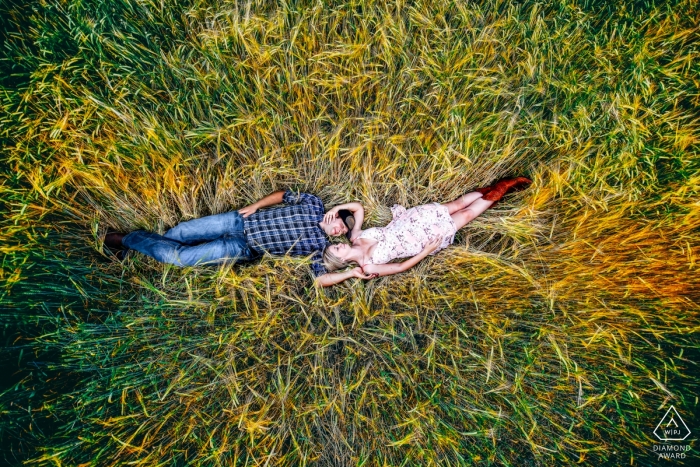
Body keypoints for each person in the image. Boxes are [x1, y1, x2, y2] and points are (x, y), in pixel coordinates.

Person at [103, 189, 374, 281]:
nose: (339, 230)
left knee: (180, 258)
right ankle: (133, 243)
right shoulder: (314, 203)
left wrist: (350, 273)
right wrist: (256, 205)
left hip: (242, 248)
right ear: (335, 213)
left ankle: (125, 239)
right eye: (341, 222)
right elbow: (282, 195)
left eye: (343, 232)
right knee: (181, 231)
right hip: (238, 220)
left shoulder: (320, 246)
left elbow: (321, 279)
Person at [316, 177, 531, 287]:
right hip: (420, 239)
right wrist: (427, 250)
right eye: (337, 248)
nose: (339, 243)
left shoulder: (355, 236)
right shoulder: (368, 266)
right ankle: (502, 189)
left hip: (411, 220)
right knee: (465, 216)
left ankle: (493, 191)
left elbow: (358, 208)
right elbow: (401, 266)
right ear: (341, 260)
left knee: (456, 205)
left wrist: (335, 209)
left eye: (336, 243)